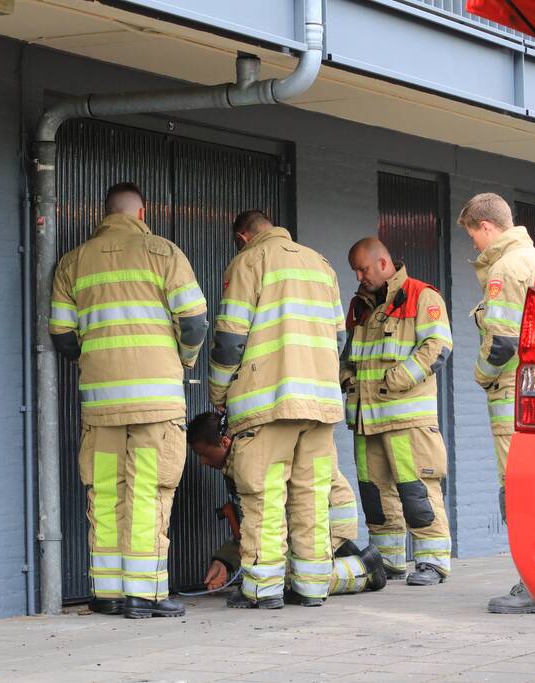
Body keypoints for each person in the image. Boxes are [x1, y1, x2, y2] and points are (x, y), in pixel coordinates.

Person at [48, 182, 208, 619]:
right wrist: (184, 360)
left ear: (104, 214)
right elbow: (194, 323)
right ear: (143, 213)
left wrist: (99, 360)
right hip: (156, 405)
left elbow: (62, 336)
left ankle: (108, 593)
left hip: (100, 408)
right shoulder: (164, 253)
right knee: (149, 493)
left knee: (104, 493)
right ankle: (145, 594)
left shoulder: (72, 262)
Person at [208, 209, 345, 609]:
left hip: (268, 405)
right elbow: (339, 338)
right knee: (312, 496)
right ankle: (311, 585)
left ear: (243, 237)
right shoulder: (322, 264)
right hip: (319, 405)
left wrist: (220, 392)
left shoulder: (249, 261)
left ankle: (264, 589)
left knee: (264, 495)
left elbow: (230, 339)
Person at [457, 192, 535, 614]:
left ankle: (534, 586)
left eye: (473, 237)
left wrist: (480, 375)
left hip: (512, 397)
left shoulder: (504, 268)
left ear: (487, 227)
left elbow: (500, 343)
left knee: (515, 490)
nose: (474, 247)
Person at [344, 238, 453, 586]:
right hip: (366, 420)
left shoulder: (422, 296)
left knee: (416, 490)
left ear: (383, 262)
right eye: (355, 271)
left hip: (406, 419)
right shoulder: (359, 307)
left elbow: (438, 347)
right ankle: (388, 563)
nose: (359, 276)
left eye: (363, 268)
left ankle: (433, 562)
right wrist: (347, 378)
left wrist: (396, 379)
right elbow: (349, 354)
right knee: (376, 497)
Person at [187, 411, 386, 599]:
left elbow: (265, 519)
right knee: (275, 577)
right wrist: (224, 561)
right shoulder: (236, 463)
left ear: (224, 442)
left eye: (205, 454)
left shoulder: (251, 459)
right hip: (310, 521)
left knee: (280, 581)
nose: (203, 462)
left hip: (323, 518)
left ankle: (365, 569)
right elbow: (254, 525)